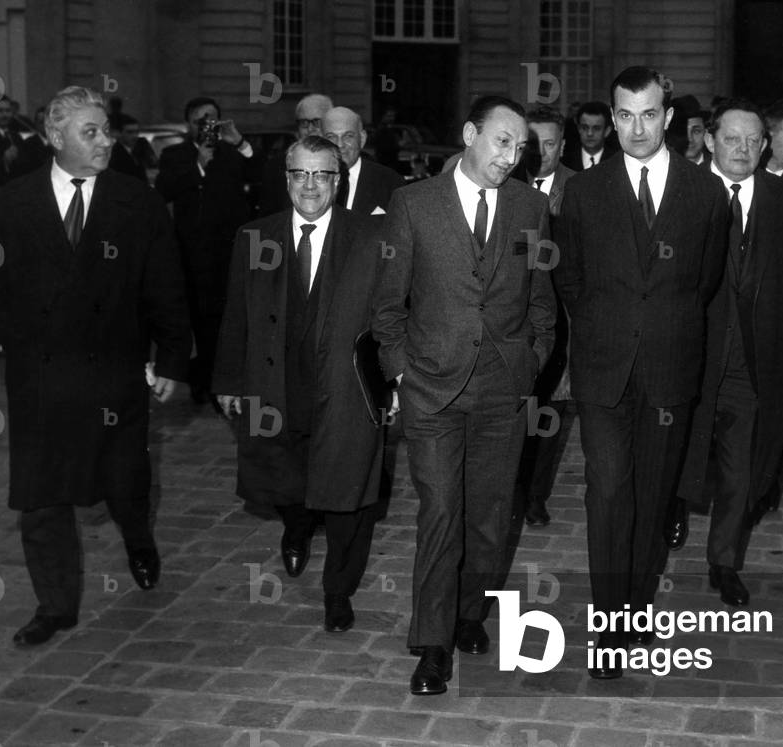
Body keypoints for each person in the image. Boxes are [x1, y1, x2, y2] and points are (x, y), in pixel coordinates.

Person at [0, 86, 191, 646]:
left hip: (114, 372)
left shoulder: (136, 201)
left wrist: (171, 357)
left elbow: (164, 285)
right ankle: (55, 604)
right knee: (41, 494)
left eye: (106, 130)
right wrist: (6, 340)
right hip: (41, 378)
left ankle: (137, 537)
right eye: (90, 132)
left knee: (124, 484)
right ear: (54, 138)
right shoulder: (9, 203)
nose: (106, 141)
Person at [372, 95, 556, 695]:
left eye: (521, 147)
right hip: (431, 391)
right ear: (470, 133)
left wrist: (529, 364)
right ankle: (431, 645)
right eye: (502, 142)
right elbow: (387, 305)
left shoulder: (531, 206)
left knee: (489, 518)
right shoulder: (413, 203)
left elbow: (542, 303)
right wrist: (401, 373)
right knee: (441, 513)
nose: (511, 156)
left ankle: (469, 613)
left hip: (503, 390)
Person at [553, 66, 728, 679]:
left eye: (648, 114)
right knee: (607, 492)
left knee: (654, 498)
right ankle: (608, 628)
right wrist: (609, 325)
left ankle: (636, 609)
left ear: (669, 117)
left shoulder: (705, 194)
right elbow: (568, 279)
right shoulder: (583, 192)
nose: (634, 127)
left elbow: (704, 283)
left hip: (671, 368)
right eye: (623, 115)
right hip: (603, 371)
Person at [213, 136, 385, 633]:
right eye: (300, 175)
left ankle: (338, 590)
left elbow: (390, 316)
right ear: (286, 179)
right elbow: (235, 316)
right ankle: (296, 526)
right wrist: (227, 379)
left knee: (350, 493)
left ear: (339, 179)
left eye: (322, 175)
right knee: (283, 477)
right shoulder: (254, 237)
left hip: (347, 387)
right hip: (275, 384)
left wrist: (391, 382)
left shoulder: (372, 237)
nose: (310, 186)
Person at [676, 99, 783, 606]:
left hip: (752, 362)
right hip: (688, 357)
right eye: (733, 139)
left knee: (740, 466)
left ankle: (724, 560)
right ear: (709, 140)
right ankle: (671, 510)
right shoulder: (680, 191)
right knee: (674, 452)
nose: (744, 150)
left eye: (754, 141)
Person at [155, 96, 258, 405]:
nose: (207, 125)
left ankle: (224, 383)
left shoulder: (231, 152)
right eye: (201, 120)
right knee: (200, 321)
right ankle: (203, 384)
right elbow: (164, 189)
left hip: (228, 252)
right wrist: (199, 165)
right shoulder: (175, 154)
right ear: (189, 125)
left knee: (228, 320)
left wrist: (239, 141)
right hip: (193, 255)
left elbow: (258, 174)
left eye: (212, 118)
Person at [517, 105, 576, 526]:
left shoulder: (582, 189)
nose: (540, 153)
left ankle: (536, 495)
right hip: (511, 323)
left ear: (563, 145)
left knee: (550, 416)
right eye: (532, 144)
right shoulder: (505, 182)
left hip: (562, 323)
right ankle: (512, 491)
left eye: (549, 144)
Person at [258, 93, 334, 216]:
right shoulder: (276, 167)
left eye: (316, 122)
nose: (310, 129)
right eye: (304, 122)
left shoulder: (343, 165)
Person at [322, 107, 405, 215]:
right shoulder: (307, 181)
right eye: (331, 137)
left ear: (362, 139)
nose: (340, 144)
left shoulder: (390, 183)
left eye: (348, 136)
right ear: (321, 141)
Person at [561, 101, 619, 171]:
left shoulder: (617, 162)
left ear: (607, 131)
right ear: (579, 129)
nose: (590, 133)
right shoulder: (564, 162)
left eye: (596, 128)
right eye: (585, 128)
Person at [107, 113, 148, 182]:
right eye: (130, 132)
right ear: (119, 133)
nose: (135, 136)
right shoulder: (115, 155)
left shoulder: (137, 150)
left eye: (137, 132)